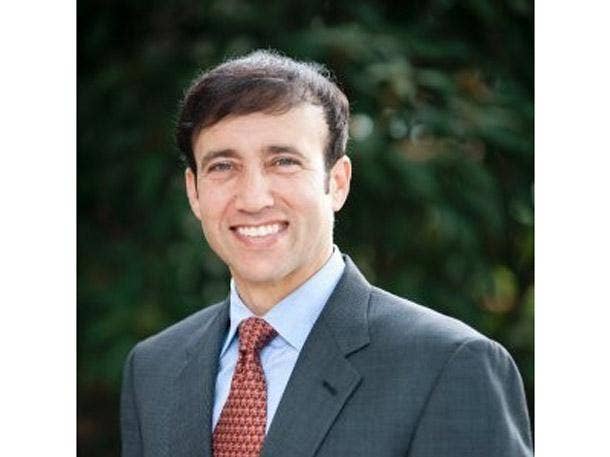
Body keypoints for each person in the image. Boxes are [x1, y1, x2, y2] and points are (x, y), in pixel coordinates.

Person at [120, 50, 533, 457]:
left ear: (337, 183)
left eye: (284, 162)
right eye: (223, 166)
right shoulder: (153, 369)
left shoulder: (448, 365)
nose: (253, 198)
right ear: (194, 191)